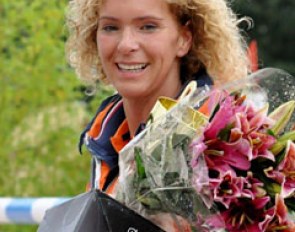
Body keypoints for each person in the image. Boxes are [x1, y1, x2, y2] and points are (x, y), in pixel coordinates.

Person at [65, 0, 249, 195]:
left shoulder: (223, 140)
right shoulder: (103, 138)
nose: (126, 45)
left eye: (148, 27)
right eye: (110, 27)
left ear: (184, 39)